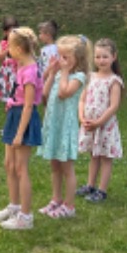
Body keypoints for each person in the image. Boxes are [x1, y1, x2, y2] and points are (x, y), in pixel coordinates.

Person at [0, 27, 44, 231]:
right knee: (9, 164)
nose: (7, 49)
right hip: (14, 114)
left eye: (10, 46)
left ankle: (26, 217)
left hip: (23, 118)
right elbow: (6, 60)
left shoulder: (29, 71)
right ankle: (14, 206)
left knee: (21, 168)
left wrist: (20, 133)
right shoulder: (20, 63)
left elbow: (29, 106)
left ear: (20, 49)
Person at [38, 35, 89, 219]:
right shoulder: (60, 74)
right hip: (53, 125)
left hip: (66, 127)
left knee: (67, 168)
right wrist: (52, 74)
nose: (61, 60)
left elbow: (63, 93)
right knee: (55, 166)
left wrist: (65, 72)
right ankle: (56, 199)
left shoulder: (79, 77)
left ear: (78, 59)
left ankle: (69, 205)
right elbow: (44, 95)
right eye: (60, 56)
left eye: (65, 57)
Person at [77, 38, 124, 203]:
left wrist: (98, 122)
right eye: (98, 57)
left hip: (105, 126)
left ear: (113, 57)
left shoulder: (114, 81)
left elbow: (113, 106)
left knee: (105, 157)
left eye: (105, 57)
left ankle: (102, 190)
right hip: (90, 124)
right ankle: (90, 185)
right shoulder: (90, 77)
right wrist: (82, 118)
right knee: (93, 155)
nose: (101, 60)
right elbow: (82, 99)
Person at [0, 15, 19, 106]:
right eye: (10, 32)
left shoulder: (20, 43)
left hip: (17, 71)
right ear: (5, 32)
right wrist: (6, 49)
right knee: (7, 94)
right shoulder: (3, 43)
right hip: (7, 72)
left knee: (17, 94)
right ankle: (8, 108)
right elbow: (0, 58)